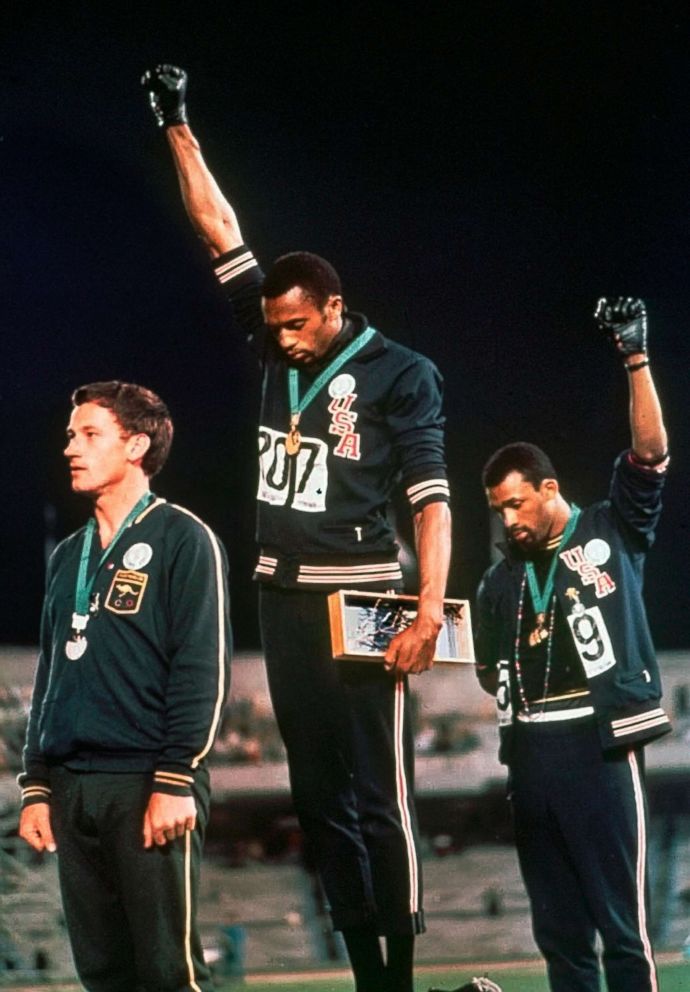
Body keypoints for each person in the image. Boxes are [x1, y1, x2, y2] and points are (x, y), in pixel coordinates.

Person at [141, 65, 452, 992]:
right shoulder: (273, 333)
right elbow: (220, 231)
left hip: (365, 599)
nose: (279, 340)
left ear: (333, 309)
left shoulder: (403, 374)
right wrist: (177, 124)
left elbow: (432, 500)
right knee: (320, 803)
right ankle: (364, 974)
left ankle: (399, 971)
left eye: (295, 326)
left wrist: (428, 608)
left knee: (380, 797)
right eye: (271, 327)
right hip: (282, 596)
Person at [475, 298, 671, 992]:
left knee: (622, 931)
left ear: (549, 489)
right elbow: (483, 670)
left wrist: (635, 357)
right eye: (498, 508)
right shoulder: (498, 582)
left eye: (516, 503)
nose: (508, 519)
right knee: (558, 938)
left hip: (599, 744)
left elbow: (649, 456)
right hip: (528, 754)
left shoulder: (608, 531)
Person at [18, 381, 232, 992]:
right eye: (69, 435)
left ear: (136, 445)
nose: (70, 449)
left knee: (170, 974)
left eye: (89, 435)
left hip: (146, 784)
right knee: (104, 975)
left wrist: (175, 777)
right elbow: (50, 675)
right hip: (70, 787)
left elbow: (201, 669)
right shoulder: (67, 557)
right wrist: (36, 786)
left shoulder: (183, 539)